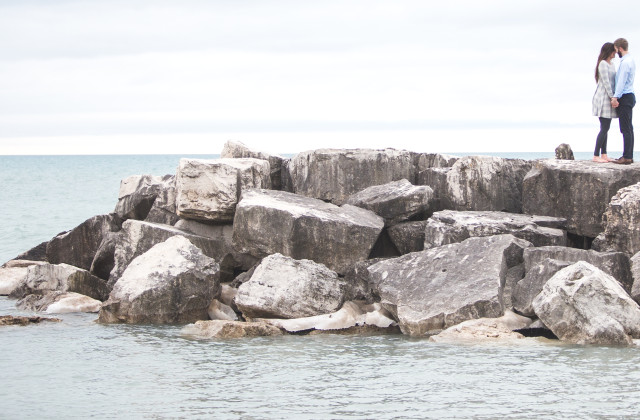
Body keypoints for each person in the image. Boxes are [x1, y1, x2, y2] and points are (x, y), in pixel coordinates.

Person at [611, 38, 636, 164]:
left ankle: (626, 156)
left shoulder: (625, 63)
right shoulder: (630, 60)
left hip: (625, 96)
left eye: (616, 50)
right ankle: (628, 155)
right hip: (629, 95)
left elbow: (621, 82)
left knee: (625, 128)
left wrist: (615, 97)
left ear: (620, 48)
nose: (616, 53)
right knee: (629, 128)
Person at [592, 42, 618, 162]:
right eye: (614, 50)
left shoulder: (611, 65)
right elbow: (607, 82)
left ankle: (604, 154)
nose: (615, 53)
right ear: (609, 51)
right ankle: (596, 155)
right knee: (604, 127)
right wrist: (613, 97)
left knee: (606, 127)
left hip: (609, 98)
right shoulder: (603, 64)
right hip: (603, 98)